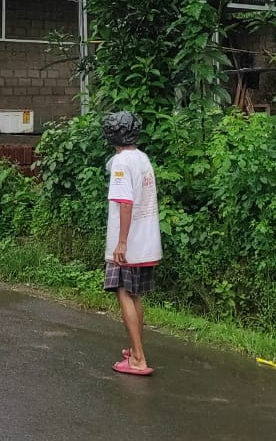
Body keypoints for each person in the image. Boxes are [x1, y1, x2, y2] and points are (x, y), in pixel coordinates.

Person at [100, 111, 161, 376]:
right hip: (147, 240)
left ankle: (138, 358)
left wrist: (122, 242)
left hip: (129, 242)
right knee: (133, 294)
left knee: (123, 292)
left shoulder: (121, 162)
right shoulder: (142, 158)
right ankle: (136, 349)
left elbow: (125, 202)